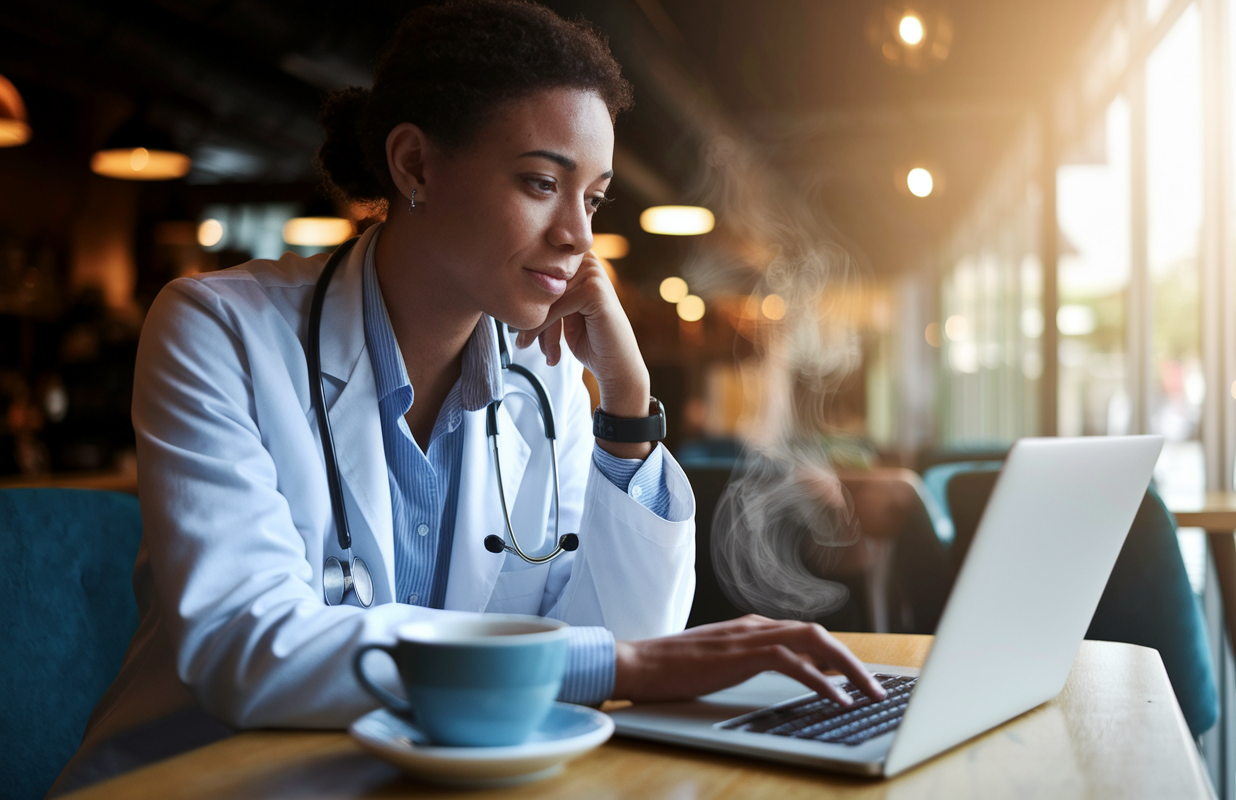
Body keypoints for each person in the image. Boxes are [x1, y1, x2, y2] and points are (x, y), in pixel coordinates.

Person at [52, 1, 883, 792]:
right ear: (415, 165)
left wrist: (628, 411)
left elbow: (625, 638)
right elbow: (250, 647)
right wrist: (611, 666)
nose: (578, 239)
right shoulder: (216, 330)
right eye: (538, 182)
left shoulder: (551, 377)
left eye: (591, 198)